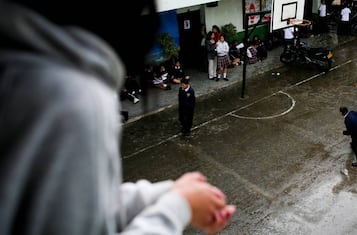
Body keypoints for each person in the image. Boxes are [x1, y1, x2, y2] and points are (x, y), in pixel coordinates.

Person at [0, 0, 236, 234]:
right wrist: (178, 206)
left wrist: (168, 193)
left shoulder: (28, 73)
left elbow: (83, 207)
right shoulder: (70, 97)